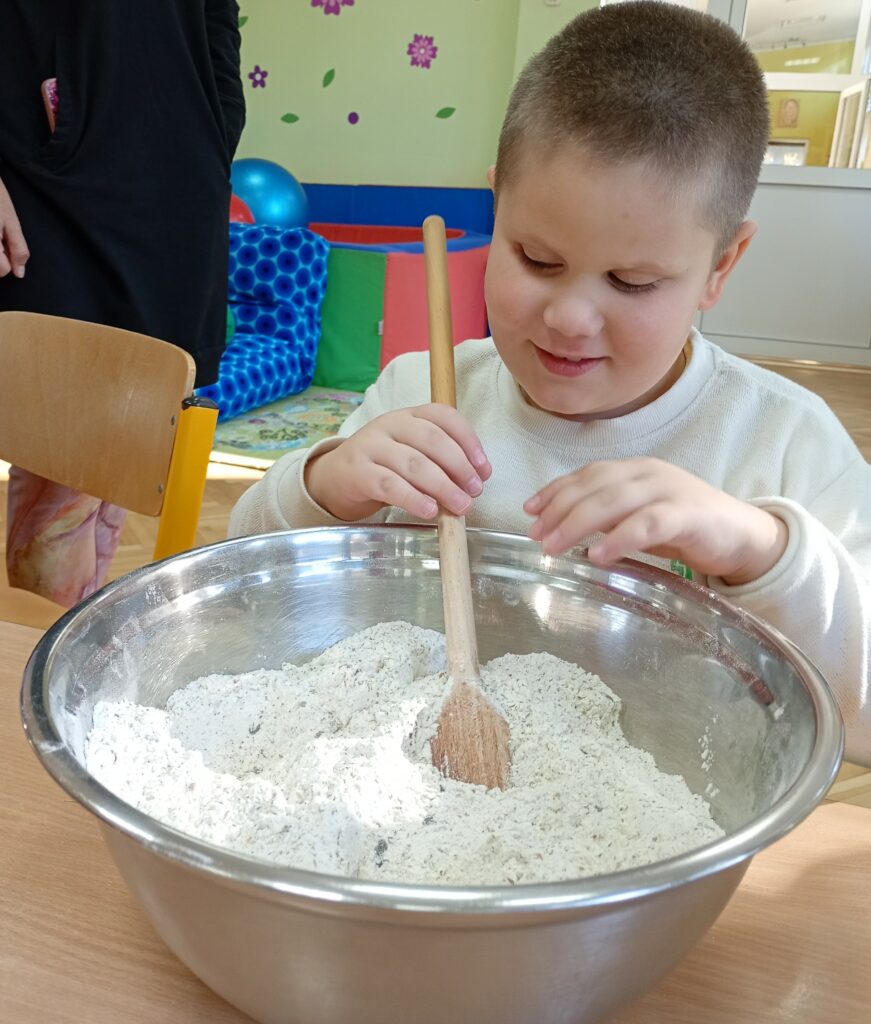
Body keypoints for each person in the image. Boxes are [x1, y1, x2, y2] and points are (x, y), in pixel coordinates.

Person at [228, 2, 871, 766]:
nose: (568, 317)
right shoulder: (420, 391)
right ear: (498, 206)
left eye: (632, 282)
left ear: (720, 267)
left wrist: (758, 551)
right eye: (536, 258)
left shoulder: (780, 442)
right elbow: (246, 595)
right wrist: (325, 487)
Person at [0, 0, 245, 604]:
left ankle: (86, 657)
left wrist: (218, 125)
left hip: (178, 168)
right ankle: (43, 664)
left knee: (139, 437)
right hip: (51, 174)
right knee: (59, 439)